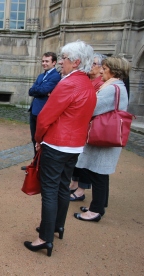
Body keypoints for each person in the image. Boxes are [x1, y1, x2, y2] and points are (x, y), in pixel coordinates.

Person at [24, 41, 97, 257]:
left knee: (49, 190)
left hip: (57, 144)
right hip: (74, 145)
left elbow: (45, 117)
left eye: (64, 58)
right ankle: (57, 226)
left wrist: (38, 139)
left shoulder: (68, 84)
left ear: (76, 62)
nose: (61, 62)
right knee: (62, 187)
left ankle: (45, 237)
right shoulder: (87, 84)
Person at [73, 56, 131, 222]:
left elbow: (92, 107)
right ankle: (98, 206)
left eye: (105, 69)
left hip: (104, 136)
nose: (101, 71)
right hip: (106, 135)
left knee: (98, 173)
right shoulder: (114, 86)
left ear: (113, 71)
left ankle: (95, 210)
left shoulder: (112, 88)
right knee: (100, 173)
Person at [70, 53, 106, 201]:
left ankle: (81, 189)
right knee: (77, 157)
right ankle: (74, 183)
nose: (91, 66)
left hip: (90, 126)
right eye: (91, 63)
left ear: (101, 68)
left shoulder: (100, 83)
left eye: (95, 64)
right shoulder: (87, 80)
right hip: (79, 124)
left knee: (85, 158)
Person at [23, 52, 60, 166]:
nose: (44, 63)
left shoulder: (55, 76)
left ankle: (42, 165)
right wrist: (39, 90)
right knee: (34, 138)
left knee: (42, 140)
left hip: (43, 112)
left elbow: (42, 90)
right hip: (34, 111)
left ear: (54, 63)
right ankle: (36, 163)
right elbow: (31, 91)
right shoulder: (41, 76)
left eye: (47, 61)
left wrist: (38, 90)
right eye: (43, 61)